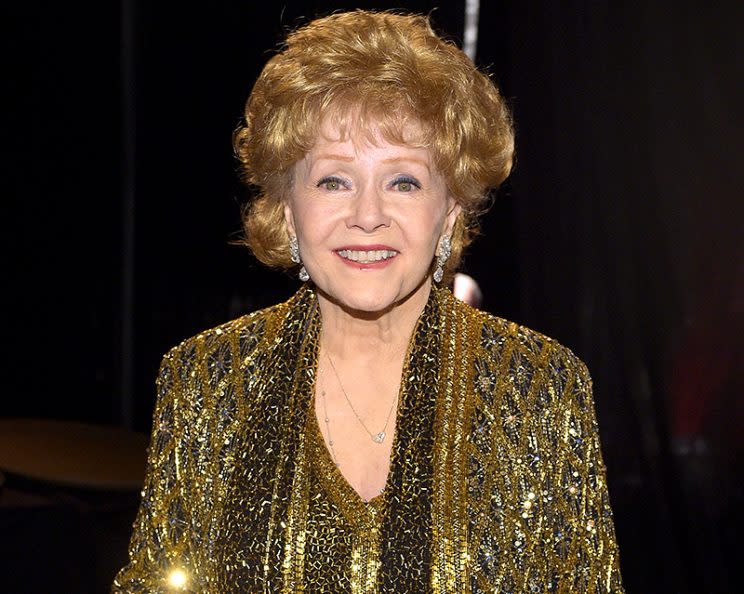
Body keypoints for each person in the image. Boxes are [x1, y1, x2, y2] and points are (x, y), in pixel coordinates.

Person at [113, 10, 624, 593]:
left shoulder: (538, 386)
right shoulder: (209, 380)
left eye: (403, 181)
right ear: (287, 206)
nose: (367, 216)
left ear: (450, 210)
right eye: (334, 180)